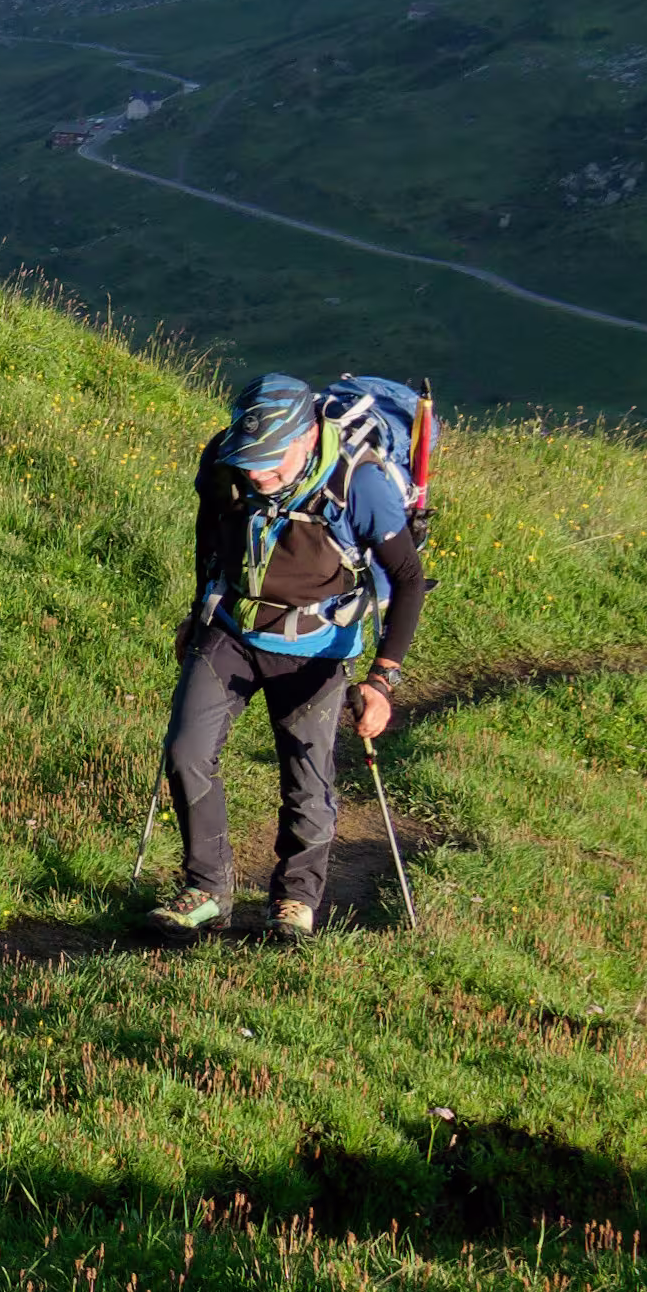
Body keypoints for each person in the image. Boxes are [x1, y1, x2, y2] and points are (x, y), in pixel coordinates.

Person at [151, 371, 427, 939]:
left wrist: (382, 678)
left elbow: (406, 576)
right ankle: (207, 890)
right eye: (250, 460)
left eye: (271, 462)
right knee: (185, 752)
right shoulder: (226, 462)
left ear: (306, 438)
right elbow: (212, 535)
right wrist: (196, 607)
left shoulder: (360, 485)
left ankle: (295, 900)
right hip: (230, 629)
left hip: (316, 651)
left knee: (306, 775)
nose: (257, 474)